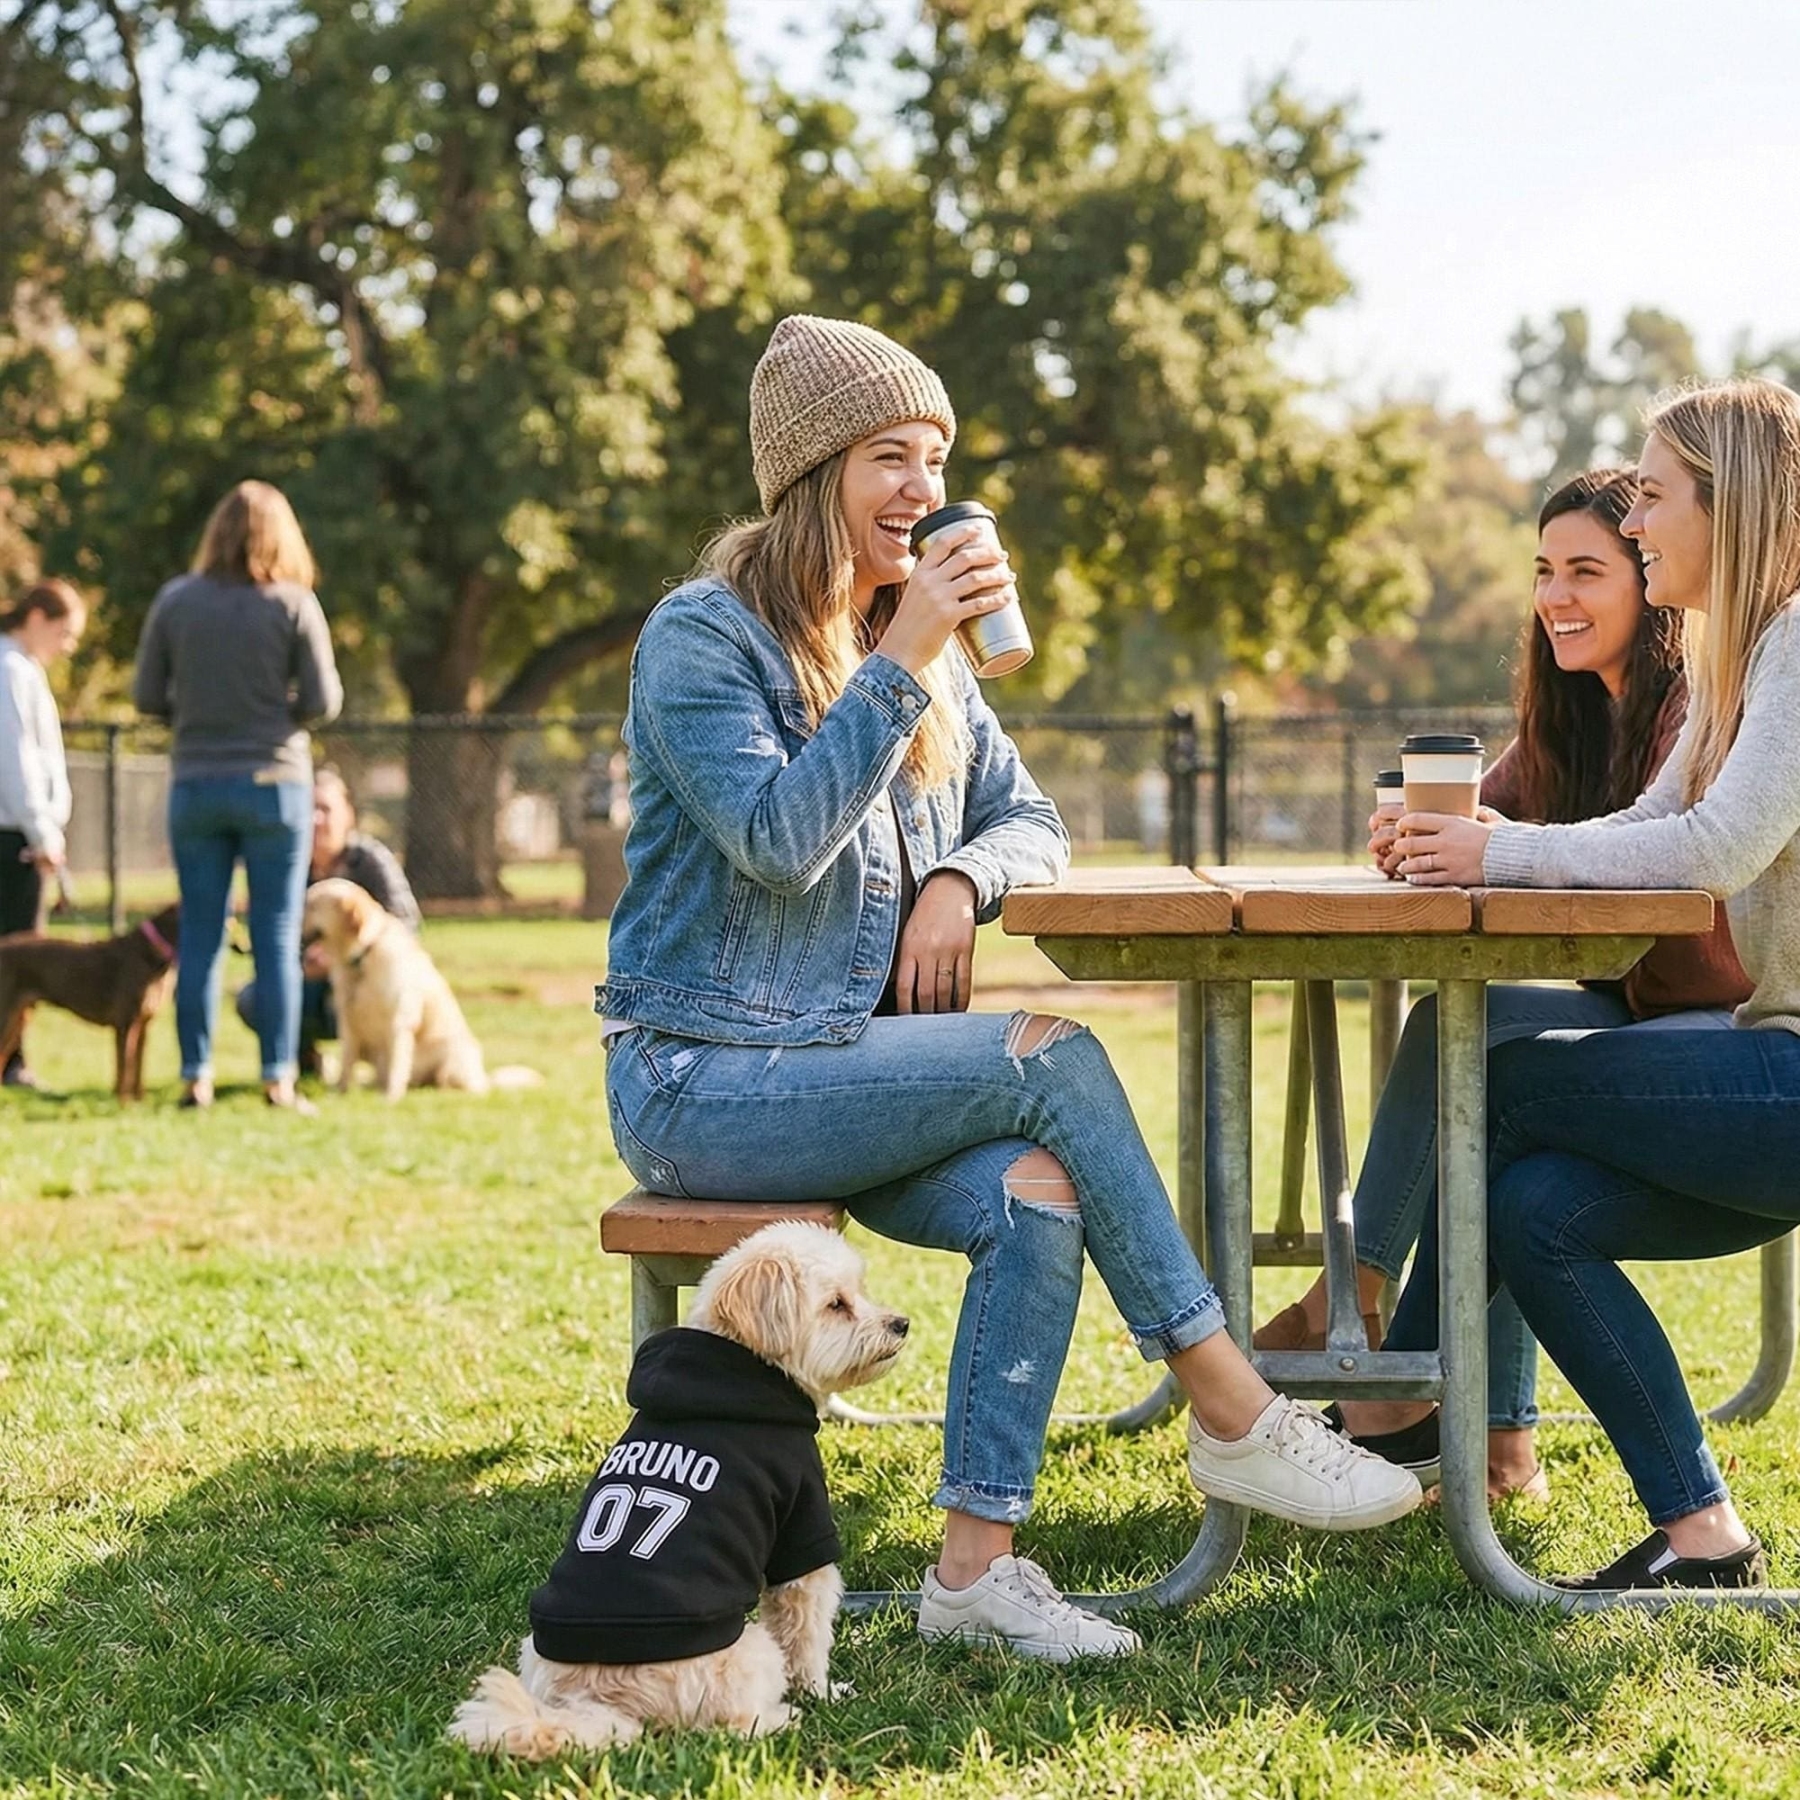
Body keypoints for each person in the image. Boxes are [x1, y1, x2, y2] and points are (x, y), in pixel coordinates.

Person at [596, 314, 1421, 1663]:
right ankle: (1232, 1407)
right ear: (812, 472)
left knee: (1038, 1188)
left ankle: (975, 1572)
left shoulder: (920, 652)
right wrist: (902, 661)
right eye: (890, 457)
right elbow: (776, 840)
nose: (923, 489)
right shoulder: (705, 638)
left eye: (935, 459)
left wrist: (956, 879)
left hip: (851, 1078)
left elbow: (1033, 817)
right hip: (704, 1078)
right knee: (1052, 1055)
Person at [1345, 376, 1800, 1590]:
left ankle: (1392, 1398)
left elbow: (1715, 851)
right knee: (1534, 1206)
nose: (1637, 522)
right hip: (1765, 1075)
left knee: (1494, 1076)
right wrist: (1484, 842)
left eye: (1653, 497)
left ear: (1733, 504)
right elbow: (1654, 823)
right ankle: (1704, 1539)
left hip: (1785, 1078)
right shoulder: (1738, 661)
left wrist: (1496, 854)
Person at [1254, 471, 1752, 1500]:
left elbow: (1672, 858)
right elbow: (1483, 818)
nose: (1556, 596)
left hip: (1719, 1019)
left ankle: (1388, 1338)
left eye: (1587, 571)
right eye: (1544, 571)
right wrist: (1410, 829)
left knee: (1500, 1092)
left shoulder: (1693, 709)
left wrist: (1497, 844)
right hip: (1634, 1002)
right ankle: (1466, 1405)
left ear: (1649, 581)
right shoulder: (1568, 716)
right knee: (1458, 1026)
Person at [134, 480, 343, 1111]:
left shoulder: (176, 600)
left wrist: (199, 715)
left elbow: (146, 696)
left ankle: (195, 1075)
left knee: (200, 935)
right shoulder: (293, 602)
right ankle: (278, 1077)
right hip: (275, 785)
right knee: (275, 934)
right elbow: (324, 701)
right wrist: (273, 712)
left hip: (196, 783)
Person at [234, 766, 420, 1076]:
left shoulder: (370, 861)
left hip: (364, 981)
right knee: (254, 1000)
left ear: (348, 815)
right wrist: (303, 961)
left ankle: (377, 1062)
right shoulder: (285, 867)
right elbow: (266, 937)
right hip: (308, 980)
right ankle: (303, 1059)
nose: (316, 819)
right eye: (309, 809)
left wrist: (352, 955)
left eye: (326, 809)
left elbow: (407, 925)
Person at [0, 578, 85, 1087]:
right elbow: (15, 762)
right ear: (36, 618)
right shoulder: (9, 669)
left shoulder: (23, 669)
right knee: (18, 958)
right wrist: (41, 831)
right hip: (14, 837)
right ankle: (11, 1062)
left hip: (25, 832)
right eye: (64, 632)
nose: (67, 646)